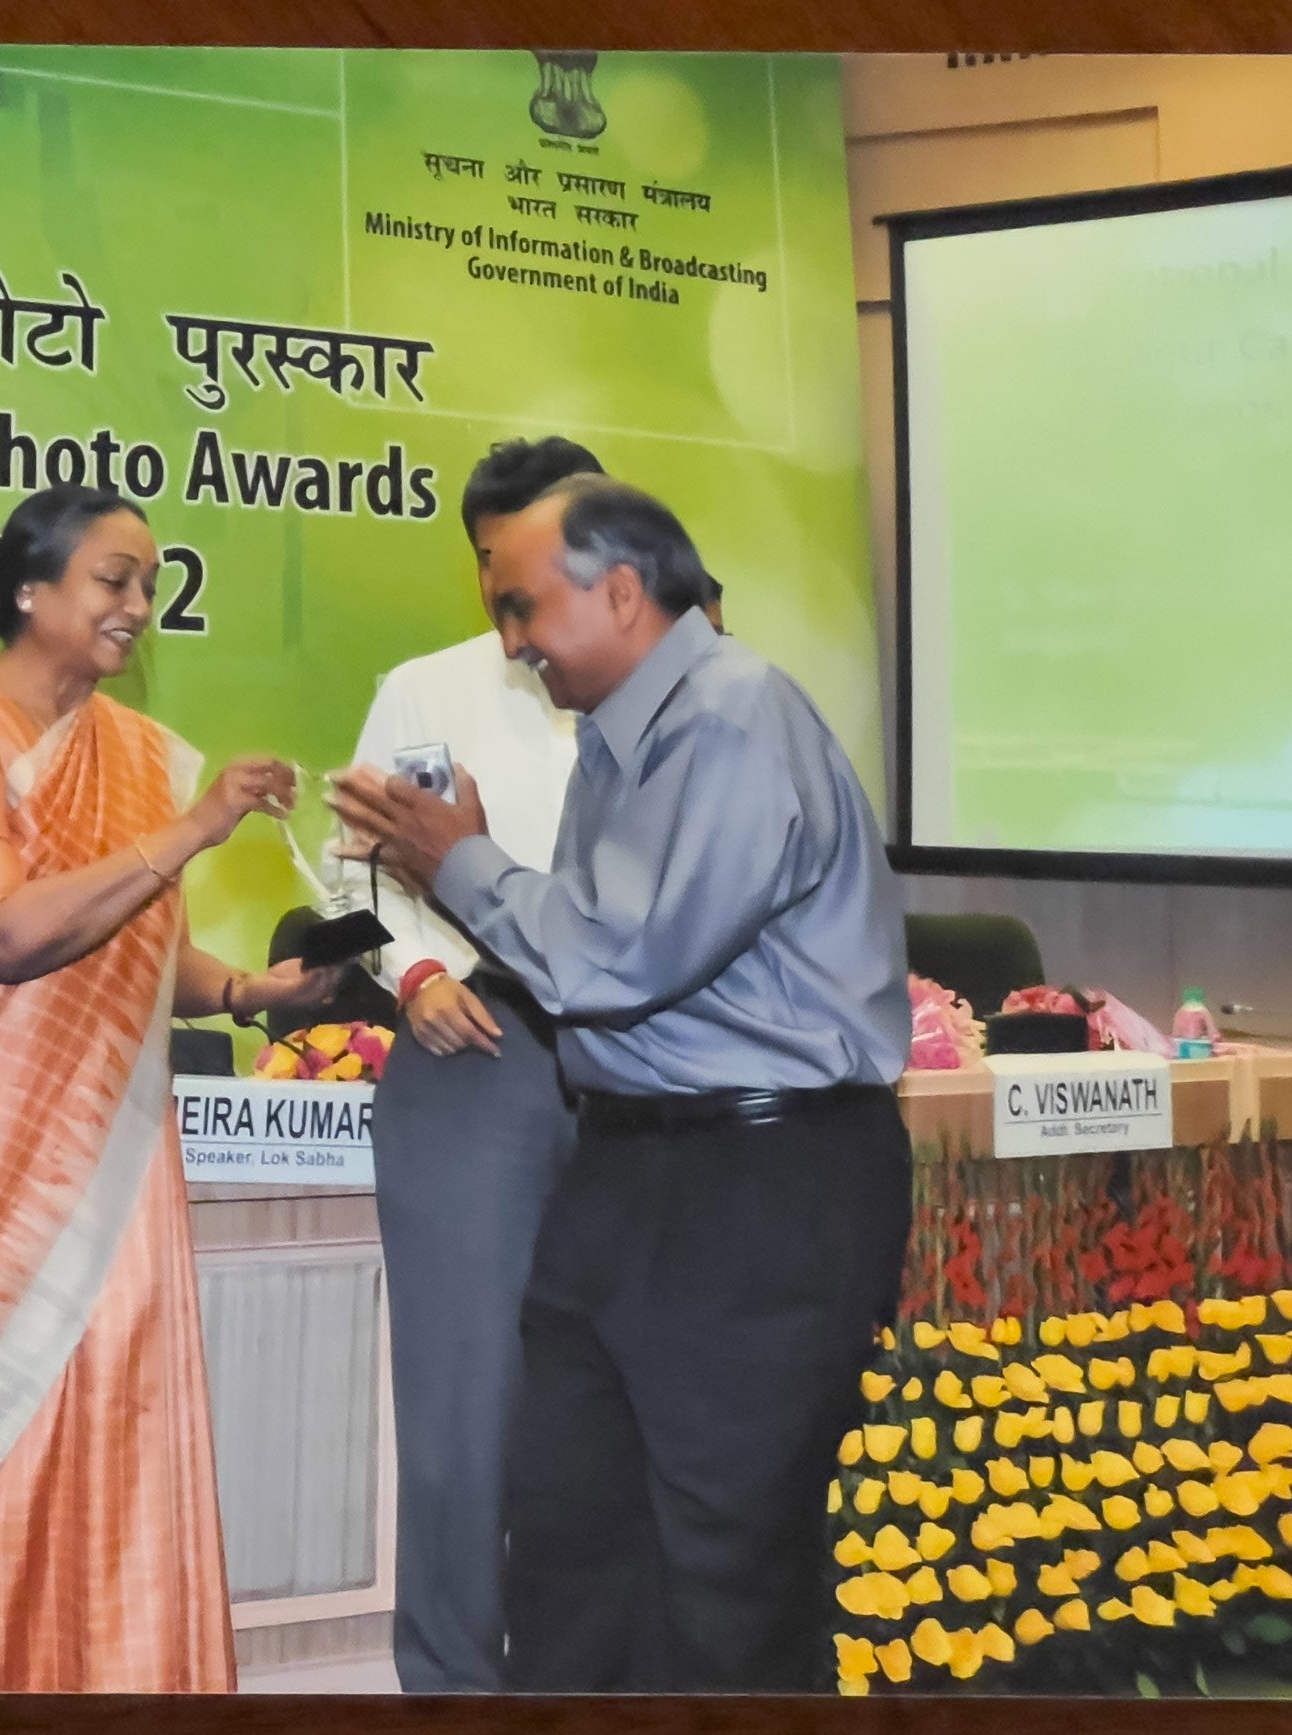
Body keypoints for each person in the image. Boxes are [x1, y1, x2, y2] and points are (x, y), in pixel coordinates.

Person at [330, 475, 910, 1694]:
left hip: (758, 1180)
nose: (511, 642)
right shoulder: (619, 734)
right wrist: (463, 874)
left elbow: (622, 956)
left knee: (725, 1571)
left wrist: (462, 862)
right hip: (631, 1167)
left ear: (624, 591)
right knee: (575, 1549)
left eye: (524, 608)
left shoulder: (732, 717)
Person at [0, 483, 339, 1691]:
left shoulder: (130, 753)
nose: (137, 606)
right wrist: (194, 830)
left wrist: (250, 994)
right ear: (28, 589)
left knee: (115, 1430)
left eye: (148, 585)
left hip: (108, 1168)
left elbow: (137, 946)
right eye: (113, 579)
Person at [336, 436, 594, 1693]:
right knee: (460, 1413)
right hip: (475, 1053)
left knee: (608, 1399)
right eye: (497, 569)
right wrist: (414, 977)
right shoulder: (425, 689)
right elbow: (347, 884)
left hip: (637, 1072)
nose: (517, 602)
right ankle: (449, 1684)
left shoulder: (652, 697)